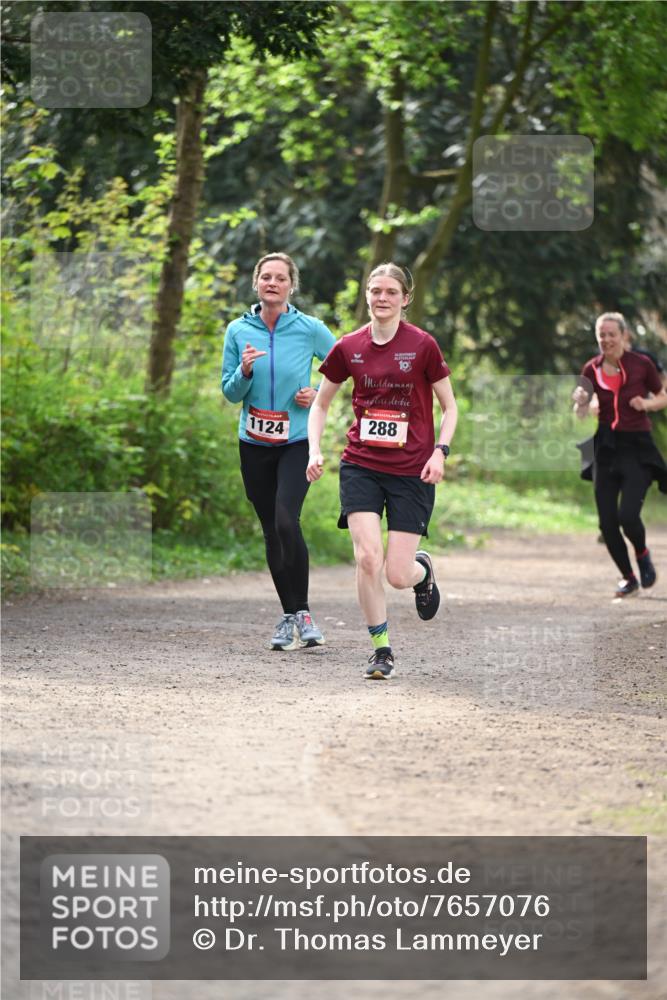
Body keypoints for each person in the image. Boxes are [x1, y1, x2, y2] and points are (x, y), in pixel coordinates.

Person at [306, 263, 458, 679]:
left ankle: (421, 570)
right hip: (361, 465)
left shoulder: (423, 345)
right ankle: (381, 649)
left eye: (391, 291)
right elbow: (320, 404)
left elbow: (450, 406)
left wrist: (439, 452)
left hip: (412, 470)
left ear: (405, 298)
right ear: (367, 295)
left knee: (396, 573)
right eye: (375, 290)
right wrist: (314, 450)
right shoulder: (349, 346)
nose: (382, 298)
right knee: (367, 557)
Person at [221, 252, 336, 649]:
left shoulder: (309, 329)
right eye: (265, 277)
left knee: (287, 520)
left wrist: (318, 393)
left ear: (291, 285)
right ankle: (290, 616)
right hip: (253, 444)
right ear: (256, 283)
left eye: (280, 278)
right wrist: (245, 371)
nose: (272, 283)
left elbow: (344, 368)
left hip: (295, 442)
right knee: (271, 529)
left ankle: (303, 613)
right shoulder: (238, 330)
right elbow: (229, 391)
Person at [572, 311, 667, 598]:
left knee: (628, 515)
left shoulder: (642, 364)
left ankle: (642, 554)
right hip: (606, 448)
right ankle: (628, 578)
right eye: (602, 335)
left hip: (637, 447)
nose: (606, 340)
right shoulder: (591, 369)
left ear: (623, 336)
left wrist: (646, 404)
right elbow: (579, 413)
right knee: (607, 522)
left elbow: (663, 396)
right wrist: (582, 405)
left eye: (612, 334)